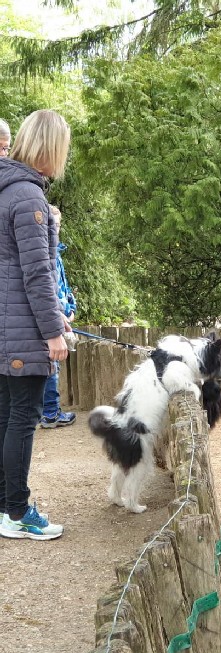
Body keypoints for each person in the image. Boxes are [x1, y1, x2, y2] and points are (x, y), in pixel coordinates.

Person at [0, 110, 71, 540]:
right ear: (51, 149)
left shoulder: (7, 188)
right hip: (24, 332)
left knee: (6, 414)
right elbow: (36, 272)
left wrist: (54, 314)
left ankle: (4, 507)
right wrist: (52, 331)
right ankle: (18, 511)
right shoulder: (27, 196)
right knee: (22, 418)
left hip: (7, 327)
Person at [39, 205, 77, 429]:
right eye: (53, 224)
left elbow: (62, 286)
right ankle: (51, 413)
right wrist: (62, 311)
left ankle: (45, 411)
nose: (57, 228)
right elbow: (49, 288)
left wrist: (70, 305)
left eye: (59, 224)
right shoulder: (46, 254)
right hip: (53, 317)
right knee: (52, 364)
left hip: (61, 313)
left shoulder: (57, 253)